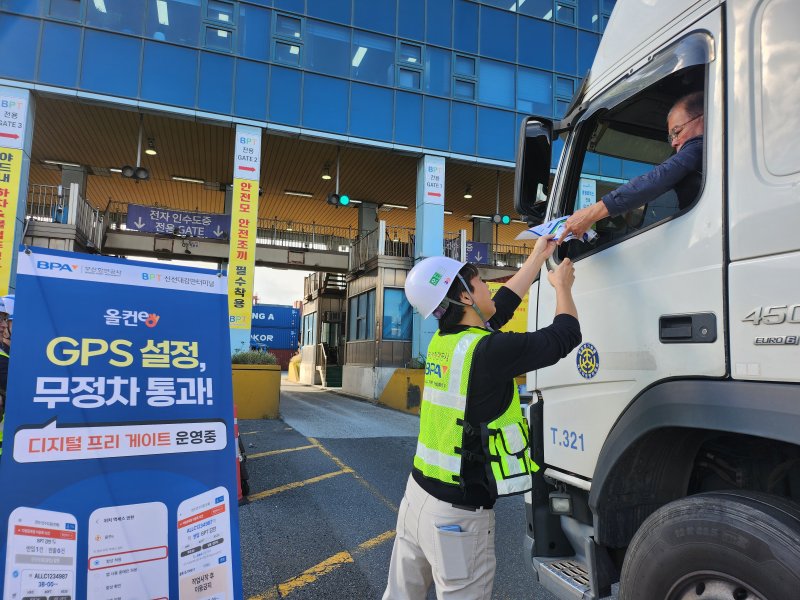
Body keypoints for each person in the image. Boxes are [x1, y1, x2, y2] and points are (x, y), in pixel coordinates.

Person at [383, 235, 581, 599]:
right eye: (479, 283)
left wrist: (538, 256)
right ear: (463, 297)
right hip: (456, 519)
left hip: (417, 500)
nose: (490, 286)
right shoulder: (488, 352)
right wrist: (562, 287)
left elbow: (499, 308)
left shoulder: (446, 342)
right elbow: (564, 336)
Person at [560, 91, 704, 243]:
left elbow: (658, 178)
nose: (674, 143)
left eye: (677, 132)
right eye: (671, 137)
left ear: (702, 119)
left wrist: (590, 213)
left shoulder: (700, 146)